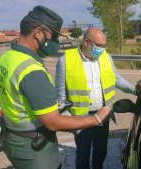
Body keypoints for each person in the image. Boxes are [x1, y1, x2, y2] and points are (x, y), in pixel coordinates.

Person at [0, 6, 111, 169]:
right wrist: (97, 119)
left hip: (14, 139)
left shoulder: (7, 57)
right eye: (54, 36)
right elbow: (53, 122)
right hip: (35, 149)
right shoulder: (32, 70)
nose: (55, 42)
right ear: (37, 32)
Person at [55, 27, 136, 169]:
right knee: (83, 155)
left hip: (103, 114)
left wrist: (135, 90)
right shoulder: (65, 60)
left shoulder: (106, 57)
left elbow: (117, 79)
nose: (102, 49)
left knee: (101, 151)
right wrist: (70, 123)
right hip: (81, 118)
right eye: (99, 45)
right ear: (86, 42)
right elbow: (60, 98)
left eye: (104, 46)